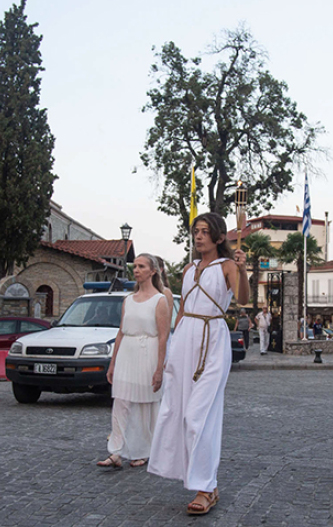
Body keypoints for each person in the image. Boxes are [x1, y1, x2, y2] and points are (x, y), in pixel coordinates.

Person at [148, 212, 250, 515]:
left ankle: (205, 486)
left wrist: (243, 272)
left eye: (205, 231)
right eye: (196, 231)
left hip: (213, 339)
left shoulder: (228, 266)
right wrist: (171, 351)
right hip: (186, 339)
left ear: (219, 237)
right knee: (176, 412)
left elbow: (242, 299)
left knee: (199, 416)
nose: (198, 236)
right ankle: (205, 484)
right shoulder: (189, 268)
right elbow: (183, 311)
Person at [98, 253, 170, 469]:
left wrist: (159, 369)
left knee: (145, 405)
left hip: (147, 351)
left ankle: (145, 450)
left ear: (152, 271)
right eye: (135, 266)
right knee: (120, 402)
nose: (136, 270)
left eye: (141, 266)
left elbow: (163, 336)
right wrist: (113, 363)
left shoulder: (160, 300)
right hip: (127, 353)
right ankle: (116, 451)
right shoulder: (127, 300)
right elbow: (120, 332)